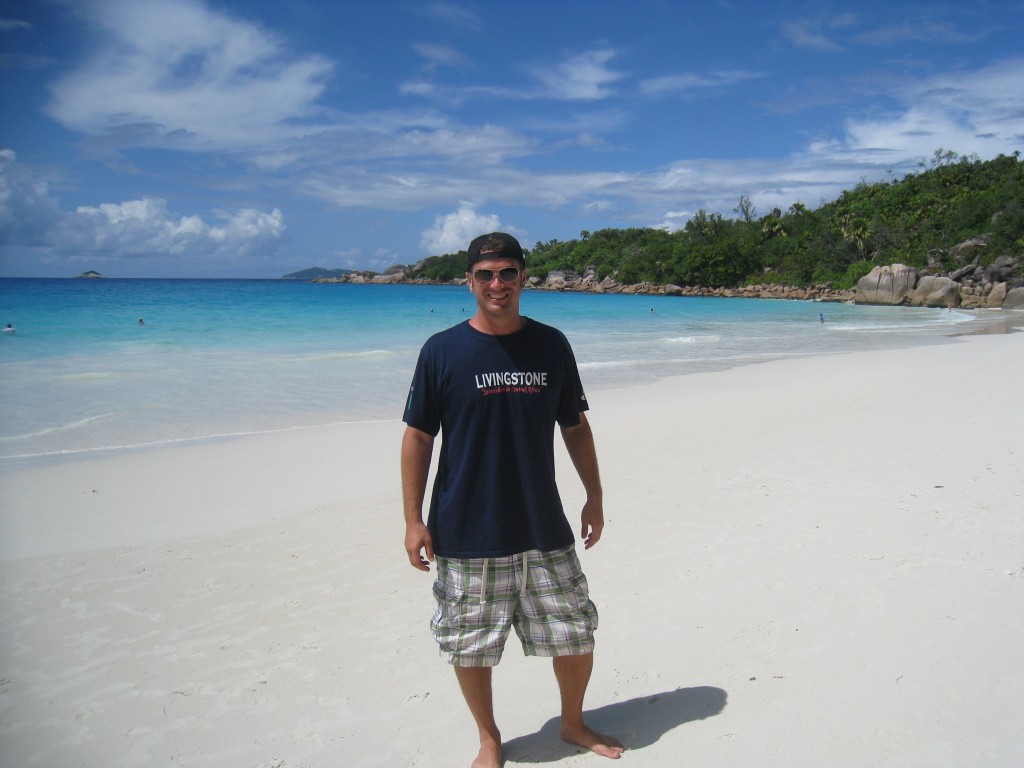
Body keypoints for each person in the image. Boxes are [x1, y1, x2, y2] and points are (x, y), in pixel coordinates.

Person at [401, 232, 624, 767]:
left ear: (524, 277)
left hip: (542, 524)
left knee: (575, 631)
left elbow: (574, 426)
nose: (497, 284)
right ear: (470, 281)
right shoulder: (442, 350)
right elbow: (418, 437)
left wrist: (594, 496)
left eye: (507, 272)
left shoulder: (551, 344)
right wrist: (413, 520)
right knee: (470, 644)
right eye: (486, 275)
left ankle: (572, 723)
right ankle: (489, 738)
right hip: (466, 527)